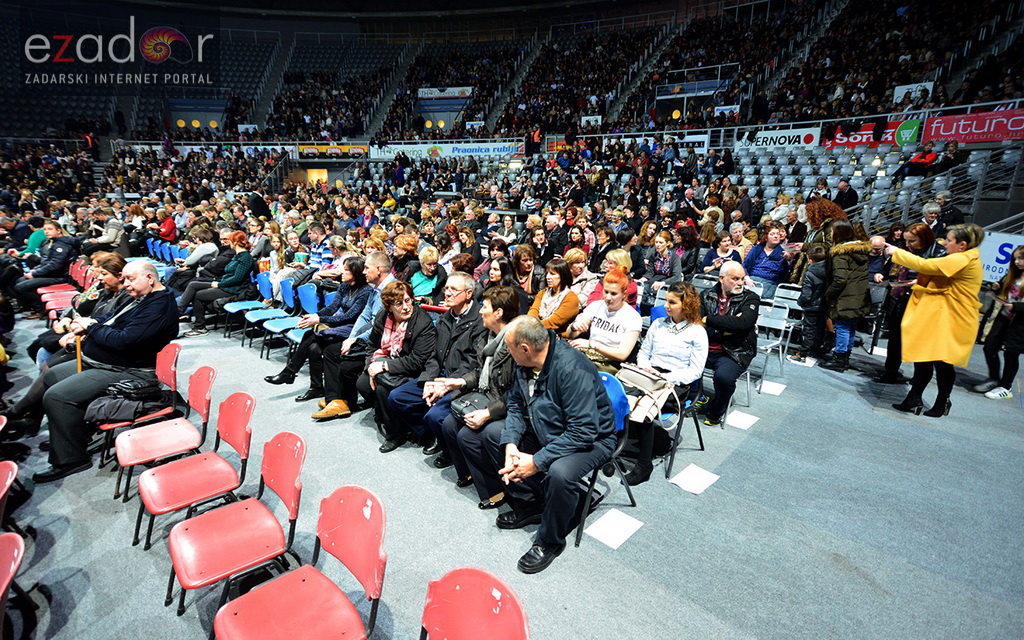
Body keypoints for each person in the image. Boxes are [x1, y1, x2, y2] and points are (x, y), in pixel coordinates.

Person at [31, 260, 179, 483]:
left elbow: (124, 341)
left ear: (150, 278)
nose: (126, 284)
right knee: (52, 375)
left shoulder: (159, 306)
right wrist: (87, 321)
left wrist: (92, 327)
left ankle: (71, 459)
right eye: (125, 279)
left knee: (57, 397)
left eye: (131, 279)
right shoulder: (140, 296)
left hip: (129, 370)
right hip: (105, 362)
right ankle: (73, 436)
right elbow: (111, 318)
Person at [494, 315, 616, 574]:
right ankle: (531, 505)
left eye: (509, 347)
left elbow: (584, 431)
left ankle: (550, 542)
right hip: (550, 427)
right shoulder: (525, 363)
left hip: (594, 439)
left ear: (525, 348)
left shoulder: (572, 369)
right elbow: (516, 405)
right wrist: (511, 445)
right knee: (495, 435)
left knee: (560, 473)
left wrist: (537, 462)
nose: (506, 351)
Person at [885, 224, 986, 417]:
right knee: (924, 357)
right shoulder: (961, 257)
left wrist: (897, 252)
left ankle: (942, 401)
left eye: (949, 240)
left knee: (942, 362)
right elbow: (945, 278)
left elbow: (926, 265)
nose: (945, 243)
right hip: (938, 314)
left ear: (962, 245)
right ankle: (914, 398)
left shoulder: (963, 258)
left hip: (952, 317)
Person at [385, 272, 488, 458]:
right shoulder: (446, 317)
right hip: (439, 374)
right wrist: (428, 380)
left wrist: (444, 384)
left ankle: (448, 450)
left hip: (460, 381)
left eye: (453, 289)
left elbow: (472, 363)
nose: (447, 293)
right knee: (397, 397)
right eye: (446, 288)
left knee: (435, 415)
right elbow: (434, 355)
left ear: (468, 294)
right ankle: (429, 434)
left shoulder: (480, 322)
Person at [439, 286, 520, 508]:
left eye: (485, 307)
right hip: (486, 395)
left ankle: (494, 488)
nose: (481, 311)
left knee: (468, 436)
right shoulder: (488, 336)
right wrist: (460, 382)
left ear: (499, 313)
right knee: (449, 424)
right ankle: (470, 472)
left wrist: (488, 413)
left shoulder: (515, 344)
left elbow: (516, 393)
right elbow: (479, 372)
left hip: (505, 404)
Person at [628, 282, 708, 485]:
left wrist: (666, 378)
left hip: (675, 383)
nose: (666, 306)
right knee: (617, 395)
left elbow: (695, 371)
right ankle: (614, 446)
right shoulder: (658, 324)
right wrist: (646, 369)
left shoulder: (697, 332)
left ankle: (644, 464)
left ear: (686, 305)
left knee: (645, 407)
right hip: (649, 374)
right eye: (666, 301)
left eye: (672, 302)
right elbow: (643, 353)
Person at [265, 255, 371, 400]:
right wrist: (315, 316)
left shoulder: (366, 291)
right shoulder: (344, 286)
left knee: (310, 336)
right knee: (313, 348)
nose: (341, 272)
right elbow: (332, 307)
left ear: (356, 273)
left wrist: (319, 319)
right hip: (339, 324)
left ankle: (289, 372)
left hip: (353, 328)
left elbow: (350, 316)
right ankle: (315, 388)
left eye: (346, 270)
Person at [313, 251, 396, 419]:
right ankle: (334, 399)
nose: (363, 272)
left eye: (367, 268)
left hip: (383, 343)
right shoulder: (376, 288)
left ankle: (344, 401)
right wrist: (351, 338)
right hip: (371, 337)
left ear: (378, 269)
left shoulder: (391, 290)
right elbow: (364, 316)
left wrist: (356, 339)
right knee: (331, 350)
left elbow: (378, 326)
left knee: (344, 362)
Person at [873, 223, 944, 383]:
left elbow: (937, 275)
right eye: (906, 241)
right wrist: (882, 274)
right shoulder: (904, 249)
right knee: (895, 338)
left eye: (912, 241)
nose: (908, 244)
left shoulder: (938, 252)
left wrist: (919, 281)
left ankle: (919, 380)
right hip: (899, 297)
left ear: (924, 238)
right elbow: (890, 267)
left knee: (919, 343)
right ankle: (891, 372)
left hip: (922, 302)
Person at [697, 262, 759, 426]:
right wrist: (727, 328)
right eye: (735, 279)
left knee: (723, 377)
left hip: (735, 351)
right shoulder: (706, 295)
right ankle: (696, 397)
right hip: (704, 346)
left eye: (742, 279)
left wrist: (710, 319)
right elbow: (697, 325)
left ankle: (716, 411)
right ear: (721, 278)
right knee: (678, 360)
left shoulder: (750, 298)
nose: (740, 283)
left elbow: (743, 324)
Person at [566, 266, 642, 373]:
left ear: (624, 294)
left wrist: (593, 345)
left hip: (609, 362)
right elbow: (570, 334)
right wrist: (574, 327)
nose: (608, 297)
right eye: (606, 292)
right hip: (587, 354)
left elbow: (622, 355)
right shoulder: (596, 306)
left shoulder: (632, 317)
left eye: (613, 294)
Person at [820, 220, 872, 372]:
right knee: (850, 327)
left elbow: (840, 279)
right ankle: (845, 358)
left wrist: (828, 294)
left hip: (845, 296)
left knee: (842, 327)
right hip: (859, 295)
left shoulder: (840, 253)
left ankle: (839, 358)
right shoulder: (859, 251)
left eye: (832, 231)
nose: (830, 234)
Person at [182, 231, 255, 337]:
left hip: (235, 289)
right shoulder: (237, 255)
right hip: (226, 284)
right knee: (194, 284)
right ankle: (180, 312)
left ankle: (199, 327)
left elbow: (237, 278)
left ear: (234, 242)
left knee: (197, 295)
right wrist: (220, 282)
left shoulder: (245, 257)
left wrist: (220, 284)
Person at [975, 245, 1024, 400]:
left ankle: (1006, 387)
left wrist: (1016, 307)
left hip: (1020, 322)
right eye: (1015, 258)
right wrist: (997, 287)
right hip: (1003, 317)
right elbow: (1004, 292)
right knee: (989, 347)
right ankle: (994, 378)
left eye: (1021, 258)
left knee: (1011, 353)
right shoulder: (1013, 275)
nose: (1017, 262)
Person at [5, 220, 77, 319]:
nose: (46, 232)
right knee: (20, 280)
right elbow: (46, 262)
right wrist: (35, 270)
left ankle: (40, 309)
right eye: (45, 229)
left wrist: (35, 274)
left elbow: (55, 266)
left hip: (61, 276)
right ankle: (30, 306)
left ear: (59, 231)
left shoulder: (62, 245)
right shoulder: (53, 242)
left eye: (50, 229)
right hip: (54, 273)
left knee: (21, 287)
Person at [788, 245, 828, 363]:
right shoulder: (831, 271)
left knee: (809, 331)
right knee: (820, 329)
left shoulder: (810, 274)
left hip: (811, 306)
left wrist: (800, 302)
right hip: (825, 305)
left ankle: (803, 354)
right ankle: (814, 352)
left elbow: (806, 294)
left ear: (810, 260)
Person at [528, 258, 580, 333]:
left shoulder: (571, 298)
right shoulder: (542, 293)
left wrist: (532, 326)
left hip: (557, 335)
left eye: (552, 274)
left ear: (563, 276)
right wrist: (529, 323)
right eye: (547, 273)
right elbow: (534, 310)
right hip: (537, 331)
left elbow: (553, 322)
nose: (547, 277)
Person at [743, 226, 791, 300]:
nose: (776, 236)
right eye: (772, 234)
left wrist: (788, 259)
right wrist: (747, 278)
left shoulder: (784, 250)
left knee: (761, 295)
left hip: (770, 282)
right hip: (752, 279)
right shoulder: (757, 248)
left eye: (778, 234)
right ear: (766, 237)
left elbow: (785, 272)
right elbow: (745, 265)